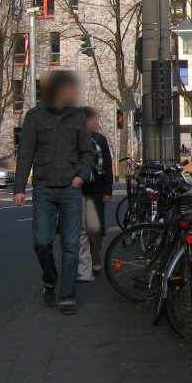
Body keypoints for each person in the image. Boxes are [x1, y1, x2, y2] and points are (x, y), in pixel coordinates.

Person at [13, 71, 95, 316]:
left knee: (71, 246)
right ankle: (50, 279)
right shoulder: (35, 117)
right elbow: (25, 153)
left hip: (71, 189)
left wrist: (81, 176)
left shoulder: (78, 117)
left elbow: (87, 152)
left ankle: (67, 297)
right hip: (44, 188)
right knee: (42, 242)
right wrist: (19, 189)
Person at [78, 108, 113, 282]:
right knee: (82, 230)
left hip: (97, 190)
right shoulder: (75, 139)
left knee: (95, 228)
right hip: (79, 189)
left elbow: (107, 164)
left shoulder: (101, 140)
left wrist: (108, 190)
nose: (97, 123)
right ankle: (84, 270)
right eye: (95, 120)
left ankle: (96, 258)